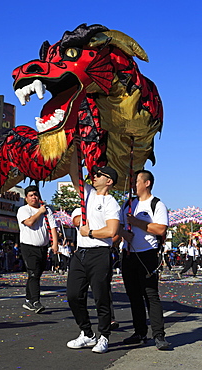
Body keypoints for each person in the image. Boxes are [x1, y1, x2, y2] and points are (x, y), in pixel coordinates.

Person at [66, 141, 120, 354]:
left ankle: (104, 336)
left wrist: (90, 232)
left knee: (101, 297)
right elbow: (73, 173)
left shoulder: (110, 202)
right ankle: (87, 333)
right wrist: (74, 149)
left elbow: (111, 231)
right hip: (80, 254)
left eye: (99, 175)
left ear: (109, 181)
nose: (94, 176)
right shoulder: (86, 193)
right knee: (73, 295)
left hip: (99, 253)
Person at [119, 169, 169, 350]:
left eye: (136, 181)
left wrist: (137, 222)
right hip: (128, 254)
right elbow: (119, 227)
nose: (133, 185)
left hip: (147, 254)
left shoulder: (157, 204)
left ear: (146, 183)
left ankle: (159, 335)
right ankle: (139, 332)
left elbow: (160, 229)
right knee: (133, 295)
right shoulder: (128, 204)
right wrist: (124, 233)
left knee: (150, 295)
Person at [17, 185, 58, 313]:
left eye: (35, 194)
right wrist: (39, 212)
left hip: (42, 247)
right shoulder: (23, 210)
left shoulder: (47, 210)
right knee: (33, 273)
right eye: (31, 195)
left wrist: (55, 243)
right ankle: (35, 301)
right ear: (26, 198)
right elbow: (29, 222)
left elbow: (53, 227)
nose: (34, 197)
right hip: (28, 246)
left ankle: (29, 300)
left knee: (36, 274)